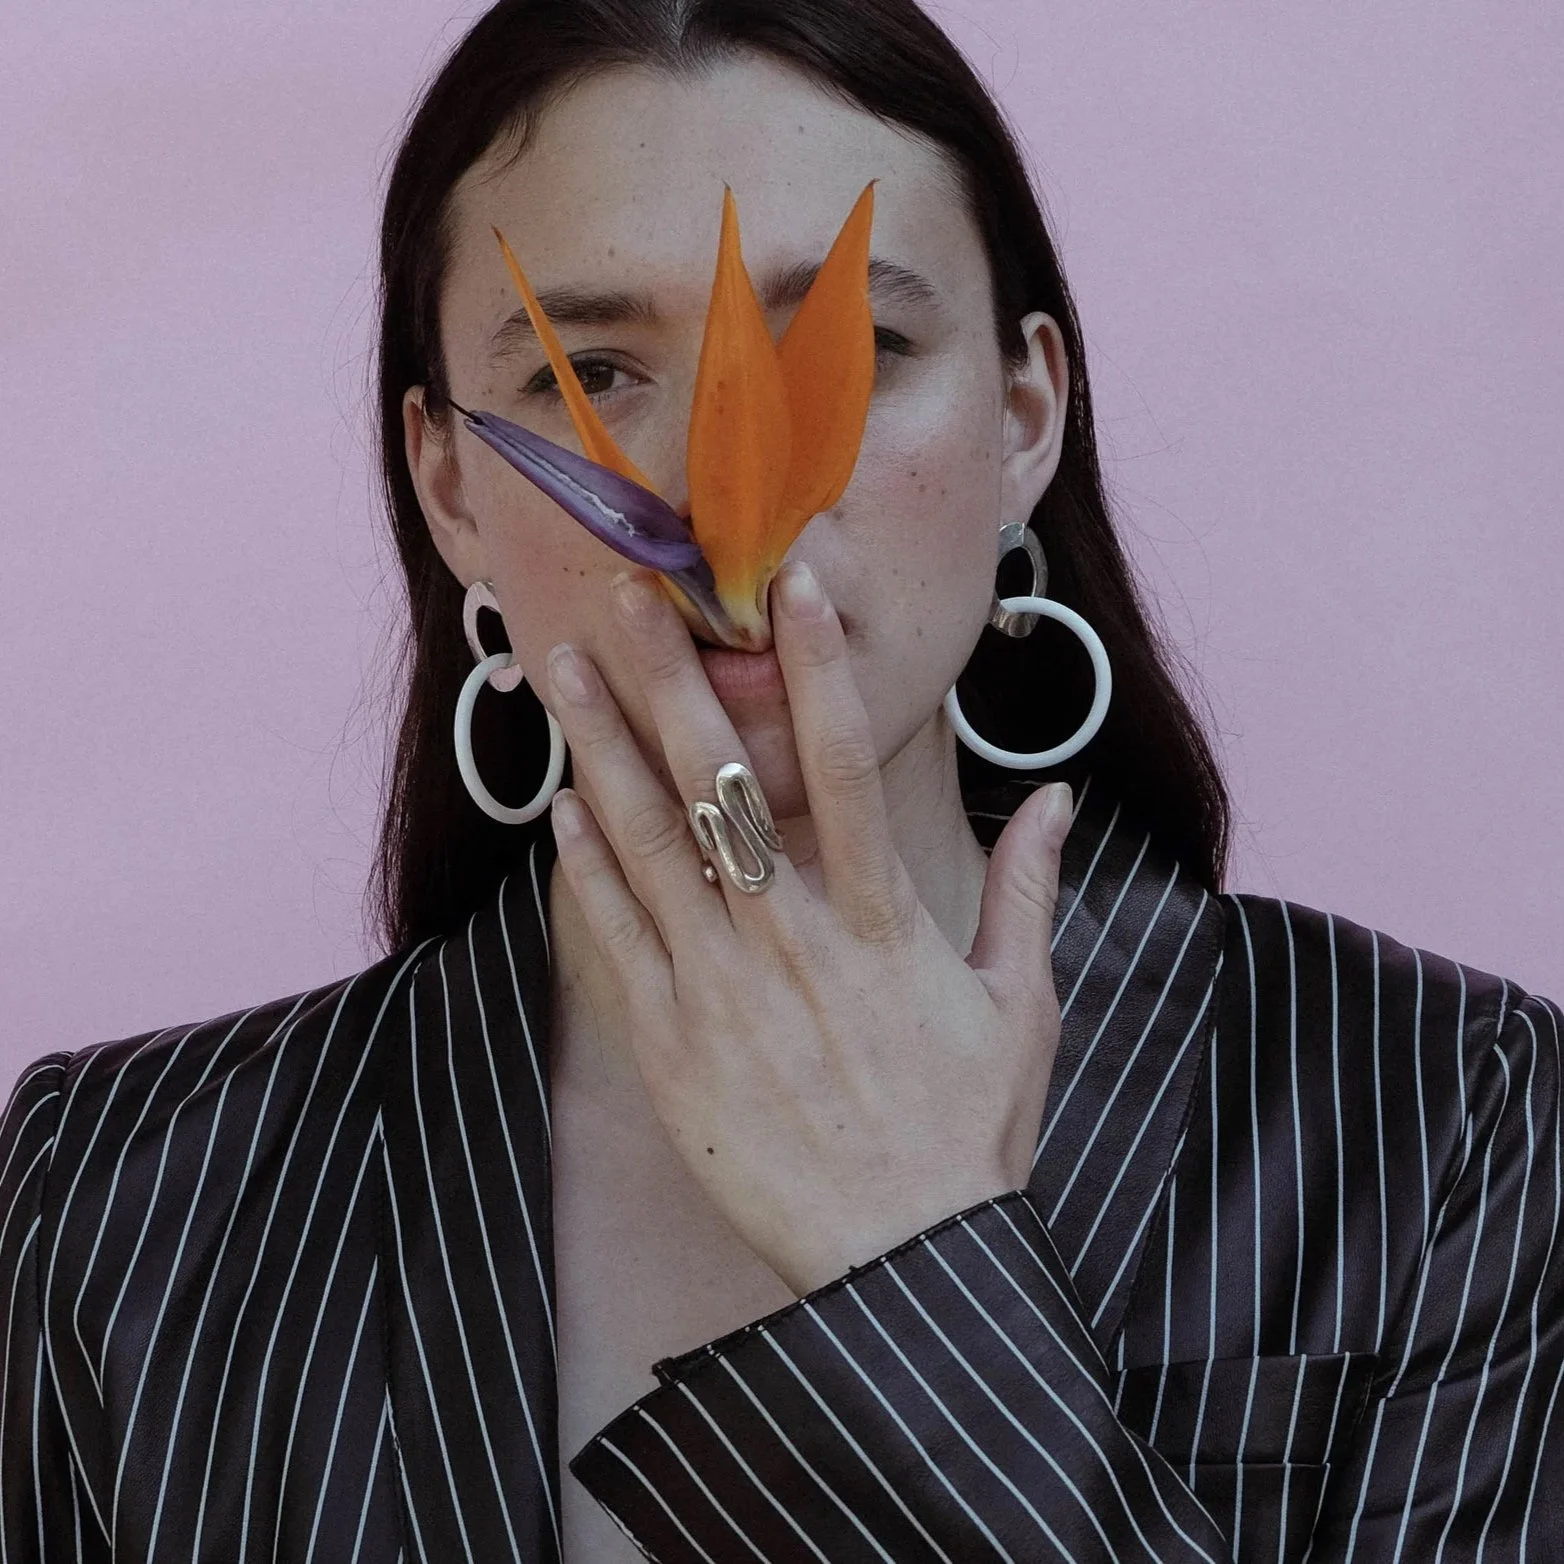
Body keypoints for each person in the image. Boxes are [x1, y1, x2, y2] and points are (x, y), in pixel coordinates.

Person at [2, 0, 1559, 1558]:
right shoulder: (117, 1203)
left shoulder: (1452, 1121)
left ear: (1025, 416)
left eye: (856, 351)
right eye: (589, 370)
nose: (720, 500)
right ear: (449, 485)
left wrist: (916, 1255)